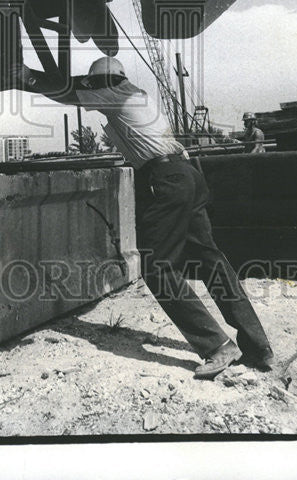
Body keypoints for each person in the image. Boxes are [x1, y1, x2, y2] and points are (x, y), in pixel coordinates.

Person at [21, 56, 274, 380]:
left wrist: (29, 78)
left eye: (93, 83)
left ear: (103, 82)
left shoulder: (113, 92)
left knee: (157, 266)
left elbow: (67, 92)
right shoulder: (135, 93)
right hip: (186, 175)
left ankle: (216, 346)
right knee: (211, 261)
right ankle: (258, 347)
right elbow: (78, 86)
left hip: (165, 178)